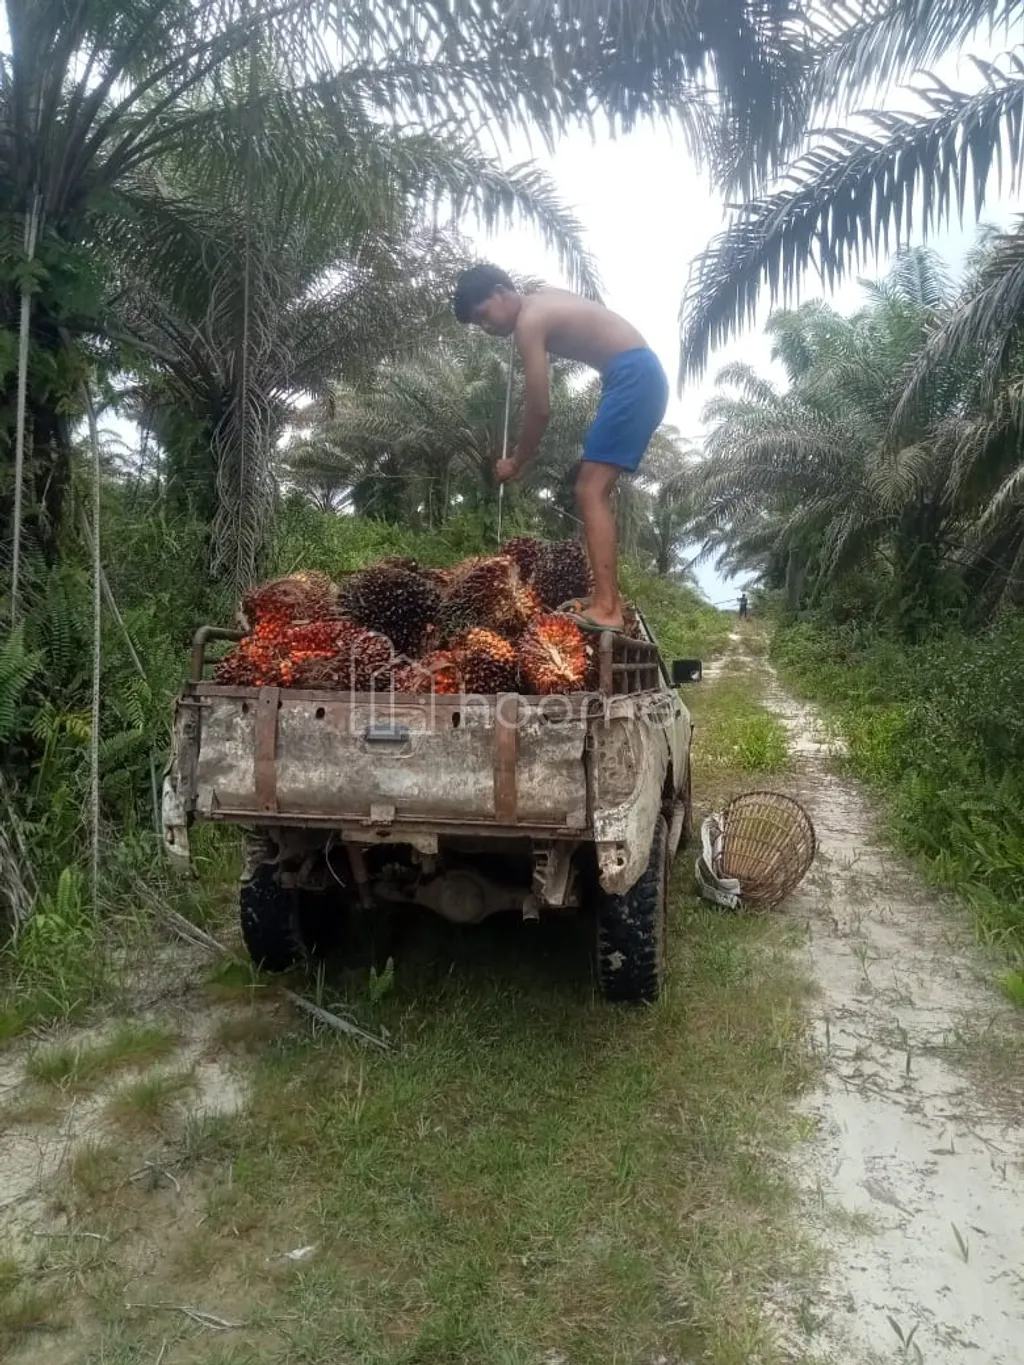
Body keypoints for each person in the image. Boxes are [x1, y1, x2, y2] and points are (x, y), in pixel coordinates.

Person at [453, 264, 669, 632]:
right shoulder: (544, 298)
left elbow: (540, 407)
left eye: (484, 315)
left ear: (503, 292)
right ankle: (606, 599)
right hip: (635, 375)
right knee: (592, 486)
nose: (487, 328)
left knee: (590, 488)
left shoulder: (528, 323)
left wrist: (517, 461)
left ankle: (607, 610)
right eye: (478, 324)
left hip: (632, 378)